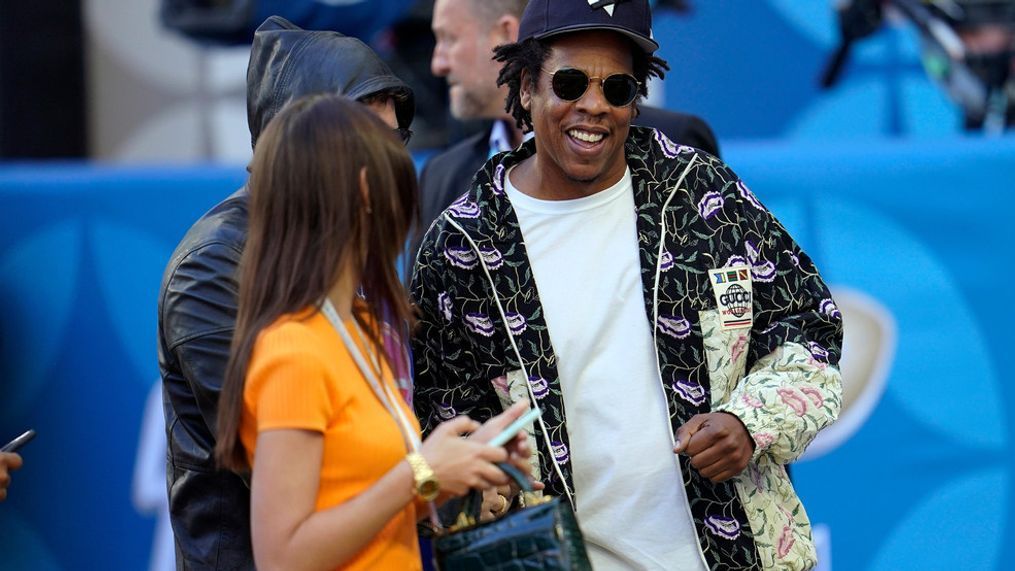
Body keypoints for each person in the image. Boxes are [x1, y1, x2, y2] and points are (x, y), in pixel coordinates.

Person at [410, 0, 843, 569]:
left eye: (618, 89)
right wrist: (489, 485)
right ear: (523, 88)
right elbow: (446, 424)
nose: (593, 105)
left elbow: (809, 324)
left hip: (732, 552)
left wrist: (748, 422)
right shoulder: (462, 248)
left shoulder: (701, 196)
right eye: (569, 83)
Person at [213, 94, 534, 571]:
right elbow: (283, 557)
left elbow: (370, 505)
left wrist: (461, 467)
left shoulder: (354, 329)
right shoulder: (294, 350)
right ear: (366, 190)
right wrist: (422, 472)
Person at [158, 16, 414, 570]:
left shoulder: (347, 255)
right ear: (308, 144)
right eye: (374, 144)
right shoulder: (213, 265)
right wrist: (430, 471)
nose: (396, 166)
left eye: (397, 142)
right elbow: (318, 478)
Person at [416, 0, 720, 253]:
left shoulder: (680, 147)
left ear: (507, 33)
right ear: (525, 87)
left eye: (449, 38)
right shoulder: (440, 178)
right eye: (570, 83)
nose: (436, 64)